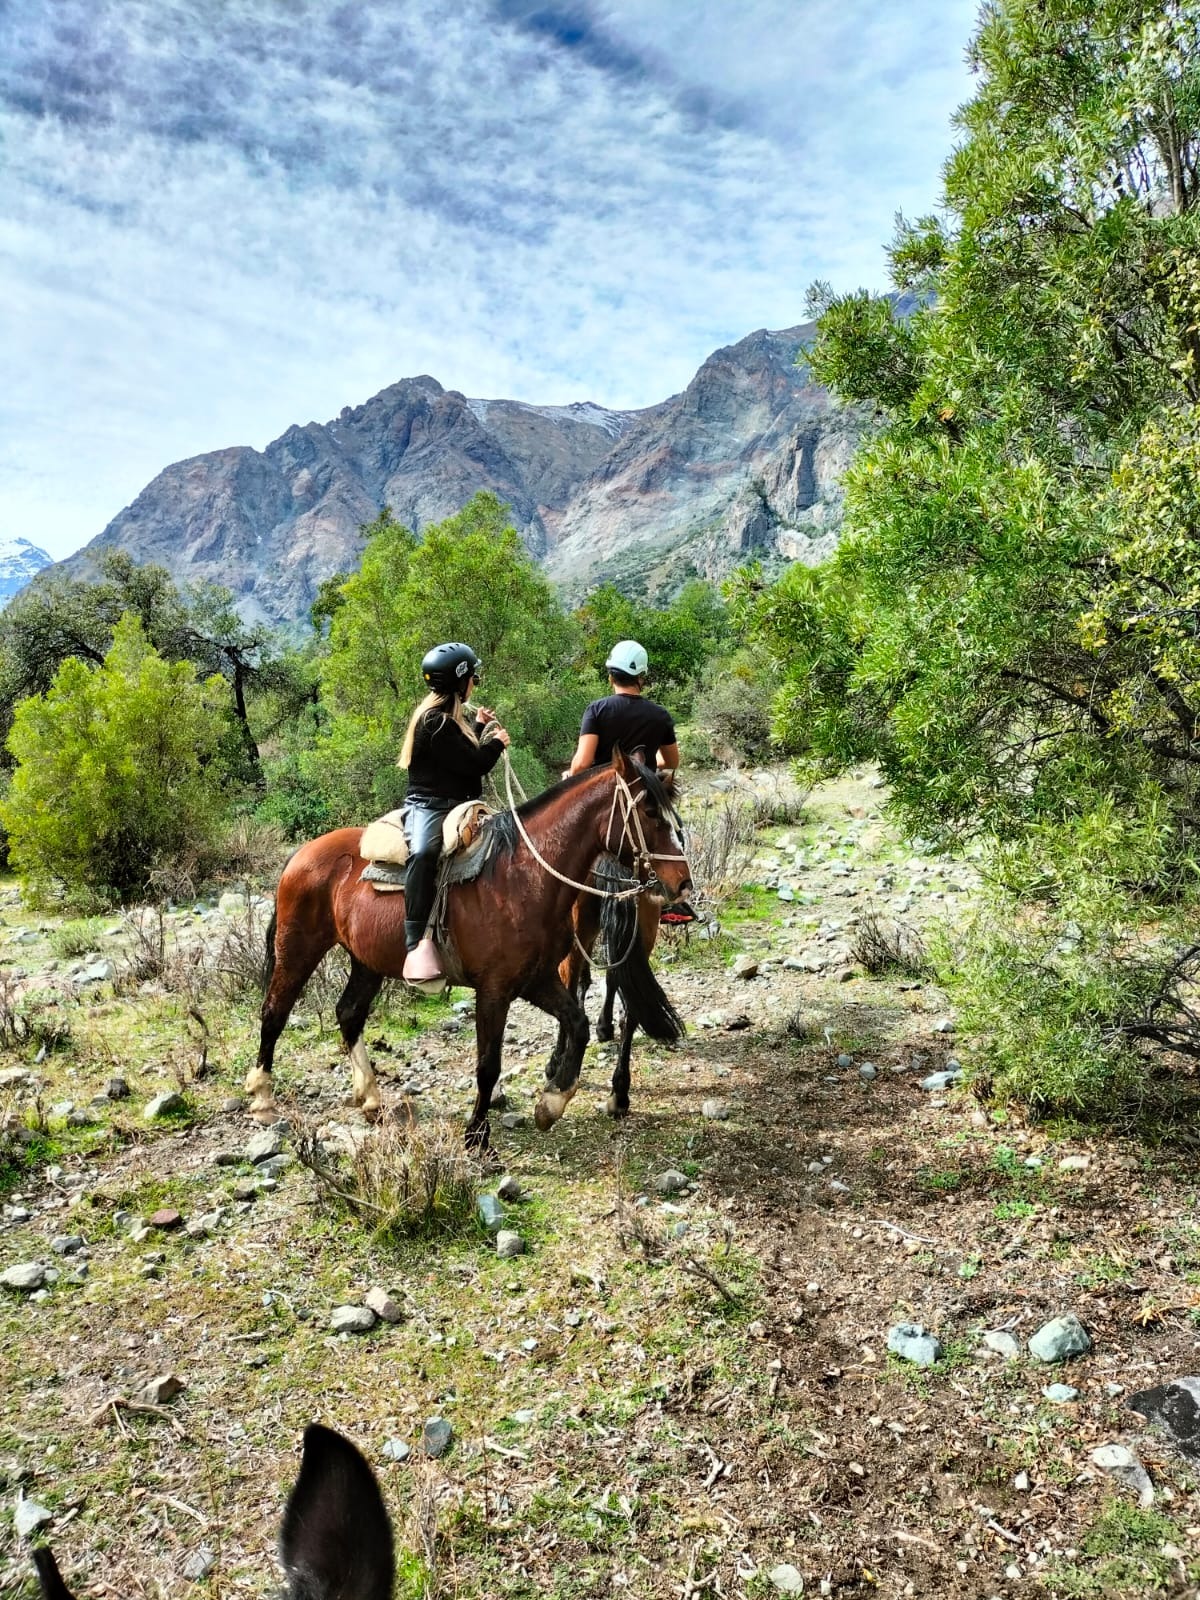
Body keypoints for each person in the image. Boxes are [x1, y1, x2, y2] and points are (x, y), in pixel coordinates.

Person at [398, 642, 509, 986]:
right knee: (424, 852)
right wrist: (497, 743)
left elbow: (459, 756)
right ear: (461, 680)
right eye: (473, 676)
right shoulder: (436, 722)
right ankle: (415, 940)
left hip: (453, 803)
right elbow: (473, 765)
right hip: (428, 805)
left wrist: (476, 726)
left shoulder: (446, 718)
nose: (475, 682)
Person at [566, 639, 680, 776]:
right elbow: (672, 762)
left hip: (604, 791)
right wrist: (643, 763)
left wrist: (569, 776)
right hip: (643, 792)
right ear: (640, 678)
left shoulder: (597, 710)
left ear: (610, 678)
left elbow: (582, 763)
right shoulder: (661, 716)